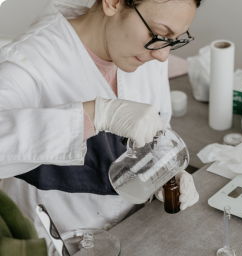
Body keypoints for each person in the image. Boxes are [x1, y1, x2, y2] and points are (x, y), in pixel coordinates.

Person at [0, 0, 200, 238]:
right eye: (158, 33)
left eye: (173, 39)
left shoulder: (146, 53)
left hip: (131, 235)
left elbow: (157, 132)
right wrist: (95, 115)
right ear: (113, 3)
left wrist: (165, 171)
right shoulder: (30, 60)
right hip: (54, 253)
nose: (162, 55)